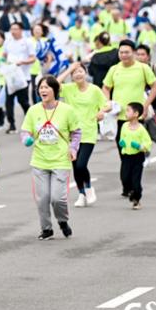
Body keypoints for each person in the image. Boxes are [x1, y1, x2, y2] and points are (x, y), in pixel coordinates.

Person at [21, 75, 81, 240]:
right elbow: (25, 131)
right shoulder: (33, 110)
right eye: (41, 87)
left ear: (55, 90)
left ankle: (62, 221)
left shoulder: (67, 110)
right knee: (43, 198)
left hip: (61, 160)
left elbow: (76, 132)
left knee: (57, 198)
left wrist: (73, 148)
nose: (43, 90)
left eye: (47, 87)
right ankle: (46, 229)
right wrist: (26, 139)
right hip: (40, 160)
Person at [57, 62, 107, 208]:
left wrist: (102, 111)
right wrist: (69, 69)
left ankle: (89, 187)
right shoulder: (68, 89)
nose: (78, 74)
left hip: (89, 132)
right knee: (75, 165)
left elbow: (106, 104)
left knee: (81, 165)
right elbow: (54, 84)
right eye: (75, 73)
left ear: (85, 73)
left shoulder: (94, 90)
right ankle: (81, 194)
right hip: (71, 133)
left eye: (80, 71)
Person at [102, 40, 156, 156]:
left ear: (133, 52)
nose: (123, 55)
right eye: (121, 52)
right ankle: (127, 173)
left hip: (137, 115)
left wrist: (146, 105)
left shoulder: (143, 68)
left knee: (136, 152)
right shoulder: (114, 69)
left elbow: (155, 87)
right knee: (123, 150)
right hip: (119, 116)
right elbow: (106, 88)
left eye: (126, 52)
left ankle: (135, 172)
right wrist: (108, 103)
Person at [2, 22, 36, 133]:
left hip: (23, 77)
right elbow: (4, 55)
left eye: (16, 29)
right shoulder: (8, 42)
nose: (13, 31)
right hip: (11, 76)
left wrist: (22, 62)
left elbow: (32, 58)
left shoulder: (27, 42)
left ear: (21, 30)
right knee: (9, 101)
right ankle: (12, 124)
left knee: (23, 101)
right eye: (11, 29)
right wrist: (3, 63)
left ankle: (31, 121)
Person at [118, 103, 152, 210]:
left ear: (136, 114)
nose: (126, 113)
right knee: (124, 177)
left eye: (128, 110)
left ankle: (136, 200)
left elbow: (148, 144)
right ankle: (130, 191)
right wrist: (121, 143)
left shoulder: (141, 129)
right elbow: (121, 138)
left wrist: (139, 146)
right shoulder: (124, 126)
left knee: (136, 180)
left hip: (137, 157)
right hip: (126, 157)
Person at [136, 44, 156, 154]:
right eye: (138, 54)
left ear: (148, 56)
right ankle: (145, 155)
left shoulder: (154, 69)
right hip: (139, 107)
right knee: (142, 132)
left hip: (155, 106)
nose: (140, 57)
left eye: (143, 54)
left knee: (155, 131)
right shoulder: (133, 70)